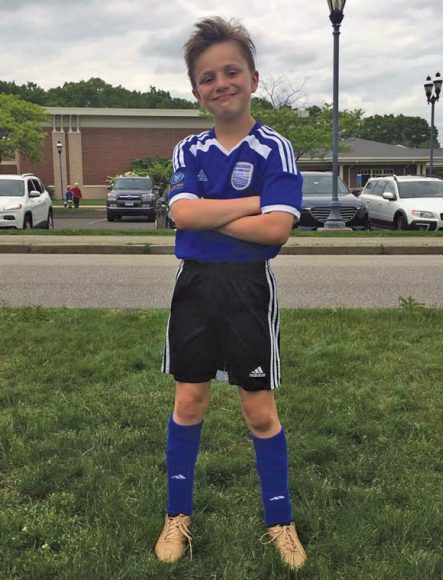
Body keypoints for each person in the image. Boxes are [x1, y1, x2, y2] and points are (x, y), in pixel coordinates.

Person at [155, 16, 307, 570]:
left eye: (231, 72)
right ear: (197, 90)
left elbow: (276, 232)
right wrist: (249, 204)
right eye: (207, 77)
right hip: (194, 285)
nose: (221, 84)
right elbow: (180, 214)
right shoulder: (189, 150)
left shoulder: (276, 150)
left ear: (253, 78)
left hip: (248, 290)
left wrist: (204, 217)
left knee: (259, 410)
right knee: (189, 401)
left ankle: (280, 520)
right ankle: (177, 515)